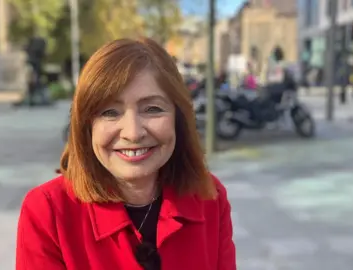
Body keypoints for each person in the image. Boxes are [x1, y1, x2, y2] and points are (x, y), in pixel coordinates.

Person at [16, 37, 236, 270]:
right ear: (86, 125)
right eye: (110, 112)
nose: (133, 133)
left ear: (178, 118)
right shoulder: (48, 212)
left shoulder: (210, 197)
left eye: (152, 109)